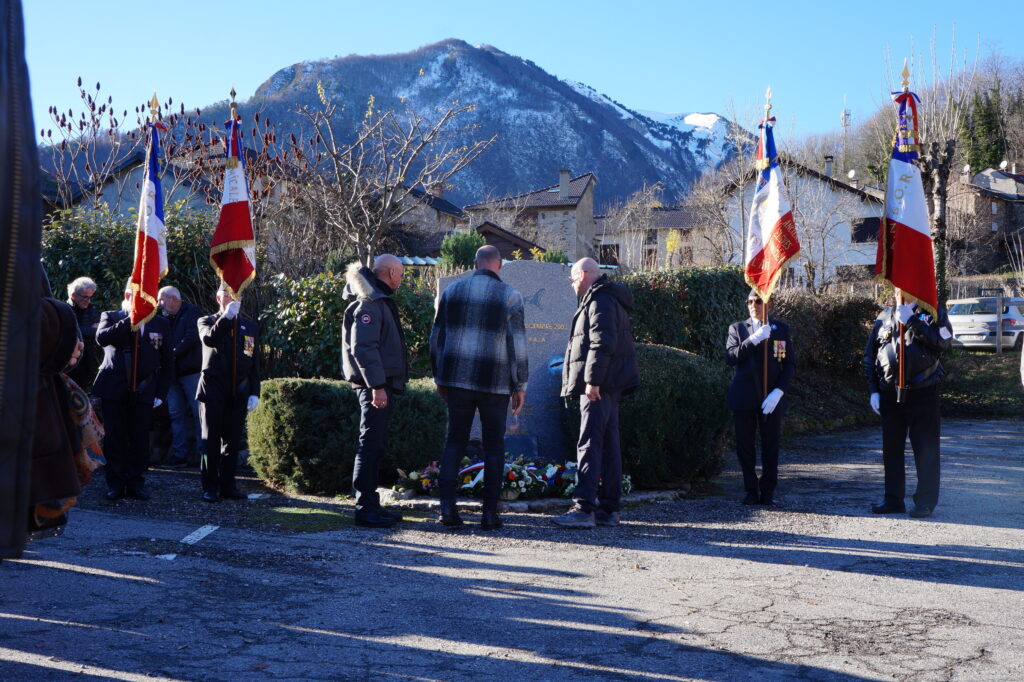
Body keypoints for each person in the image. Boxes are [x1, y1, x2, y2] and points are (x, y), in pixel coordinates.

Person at [430, 245, 528, 530]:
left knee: (455, 441)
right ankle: (489, 514)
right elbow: (517, 344)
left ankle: (447, 509)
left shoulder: (452, 292)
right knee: (494, 446)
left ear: (475, 263)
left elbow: (436, 337)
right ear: (499, 265)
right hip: (494, 383)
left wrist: (439, 376)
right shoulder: (511, 296)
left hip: (457, 380)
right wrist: (520, 383)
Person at [552, 258, 640, 529]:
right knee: (609, 446)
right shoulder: (604, 297)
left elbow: (602, 343)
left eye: (573, 277)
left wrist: (592, 381)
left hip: (599, 387)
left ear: (585, 274)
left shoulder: (600, 299)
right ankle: (609, 509)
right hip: (609, 386)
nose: (572, 283)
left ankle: (584, 508)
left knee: (589, 443)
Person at [864, 290, 952, 519]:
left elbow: (943, 342)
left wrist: (911, 321)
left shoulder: (933, 313)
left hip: (923, 392)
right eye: (897, 286)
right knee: (891, 450)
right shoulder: (883, 317)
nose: (901, 290)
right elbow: (870, 356)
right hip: (889, 394)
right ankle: (893, 499)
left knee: (926, 450)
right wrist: (873, 390)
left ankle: (924, 503)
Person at [341, 255, 409, 528]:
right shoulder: (370, 303)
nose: (402, 281)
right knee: (369, 446)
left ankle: (371, 504)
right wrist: (377, 386)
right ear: (391, 273)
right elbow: (363, 348)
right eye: (401, 275)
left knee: (376, 446)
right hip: (375, 388)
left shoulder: (378, 300)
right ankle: (364, 509)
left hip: (380, 386)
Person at [93, 284, 173, 501]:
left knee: (139, 438)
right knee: (115, 438)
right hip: (114, 387)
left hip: (145, 388)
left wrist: (161, 392)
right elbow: (102, 338)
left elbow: (167, 361)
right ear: (127, 296)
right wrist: (130, 319)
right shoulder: (110, 316)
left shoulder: (160, 323)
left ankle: (137, 482)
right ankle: (116, 484)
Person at [724, 290, 796, 506]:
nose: (753, 305)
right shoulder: (737, 328)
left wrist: (779, 391)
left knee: (770, 445)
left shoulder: (780, 329)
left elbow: (788, 364)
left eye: (758, 301)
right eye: (749, 301)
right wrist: (754, 339)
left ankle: (768, 491)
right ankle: (750, 490)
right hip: (744, 396)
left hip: (770, 397)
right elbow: (731, 357)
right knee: (745, 446)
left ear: (769, 305)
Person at [196, 283, 261, 503]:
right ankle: (210, 487)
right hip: (213, 389)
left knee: (232, 442)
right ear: (218, 298)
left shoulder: (249, 327)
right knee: (210, 440)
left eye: (236, 295)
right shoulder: (206, 321)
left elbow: (254, 362)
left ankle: (228, 485)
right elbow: (210, 340)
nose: (232, 299)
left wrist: (254, 391)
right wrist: (226, 317)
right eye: (227, 295)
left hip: (239, 390)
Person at [158, 286, 204, 468]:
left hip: (191, 372)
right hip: (171, 374)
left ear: (173, 298)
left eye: (162, 299)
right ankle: (180, 455)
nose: (159, 303)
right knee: (176, 414)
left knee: (199, 413)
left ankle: (203, 455)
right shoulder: (162, 316)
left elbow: (192, 337)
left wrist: (172, 353)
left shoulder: (192, 312)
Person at [66, 276, 100, 391]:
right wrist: (87, 330)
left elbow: (97, 332)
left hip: (87, 360)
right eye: (85, 297)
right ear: (74, 295)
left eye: (90, 297)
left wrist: (82, 330)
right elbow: (70, 331)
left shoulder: (92, 309)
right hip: (69, 362)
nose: (88, 300)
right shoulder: (65, 310)